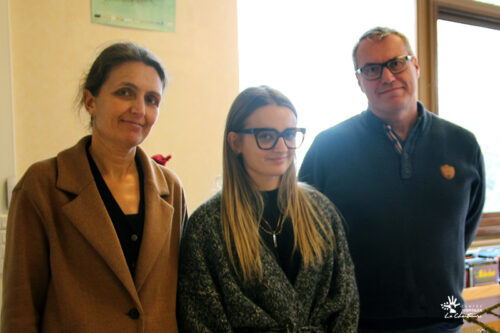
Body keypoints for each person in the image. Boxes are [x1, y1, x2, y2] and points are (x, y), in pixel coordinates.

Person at [299, 27, 485, 333]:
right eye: (371, 69)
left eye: (396, 63)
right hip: (356, 324)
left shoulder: (462, 144)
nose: (386, 77)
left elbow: (463, 228)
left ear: (416, 65)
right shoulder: (329, 148)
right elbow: (307, 237)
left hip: (442, 322)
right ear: (359, 80)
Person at [1, 42, 187, 332]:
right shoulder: (42, 185)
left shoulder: (171, 188)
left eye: (151, 99)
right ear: (90, 101)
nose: (139, 109)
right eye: (125, 92)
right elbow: (20, 311)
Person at [177, 86, 359, 332]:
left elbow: (346, 302)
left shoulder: (320, 212)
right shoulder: (207, 225)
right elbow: (200, 319)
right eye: (266, 136)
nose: (281, 146)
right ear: (235, 142)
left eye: (289, 134)